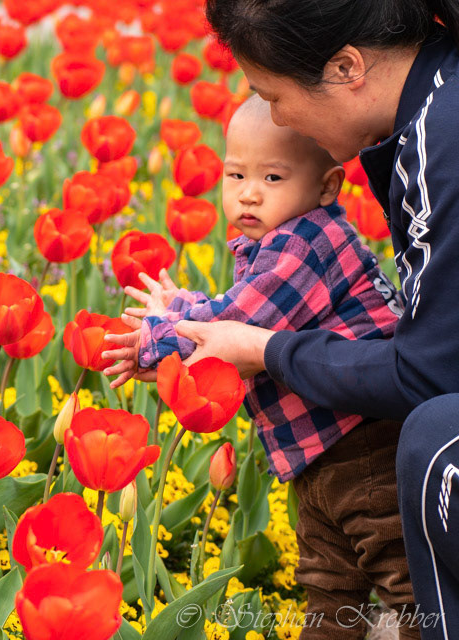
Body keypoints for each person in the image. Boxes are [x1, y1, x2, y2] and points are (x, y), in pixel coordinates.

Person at [103, 1, 459, 636]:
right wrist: (194, 315)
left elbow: (424, 370)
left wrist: (166, 339)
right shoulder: (428, 119)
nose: (274, 115)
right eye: (236, 173)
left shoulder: (435, 145)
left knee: (401, 565)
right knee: (326, 584)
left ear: (348, 67)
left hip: (367, 447)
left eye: (272, 94)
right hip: (318, 461)